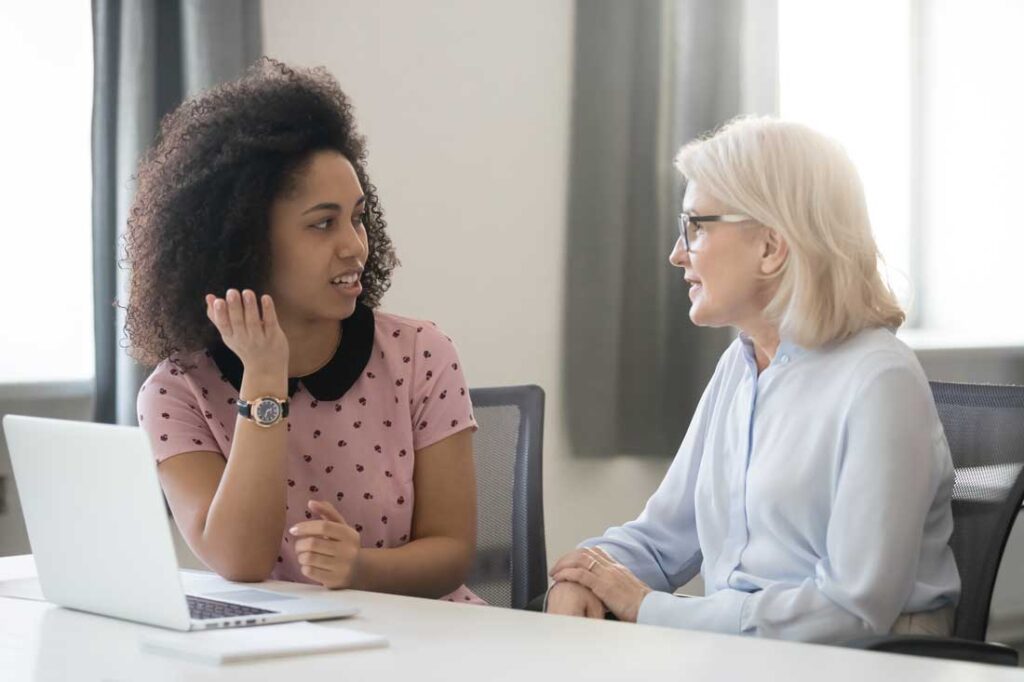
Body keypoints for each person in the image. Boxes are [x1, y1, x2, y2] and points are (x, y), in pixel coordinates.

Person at [546, 117, 960, 641]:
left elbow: (851, 611)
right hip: (740, 657)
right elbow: (662, 538)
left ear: (770, 247)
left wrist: (646, 608)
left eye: (696, 226)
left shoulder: (880, 381)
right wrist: (586, 573)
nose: (678, 253)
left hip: (862, 666)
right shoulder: (739, 366)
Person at [127, 58, 482, 604]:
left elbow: (452, 553)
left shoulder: (421, 354)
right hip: (275, 653)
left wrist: (359, 568)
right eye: (323, 223)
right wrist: (265, 377)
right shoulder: (175, 393)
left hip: (426, 643)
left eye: (358, 218)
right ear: (245, 242)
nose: (355, 246)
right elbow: (240, 561)